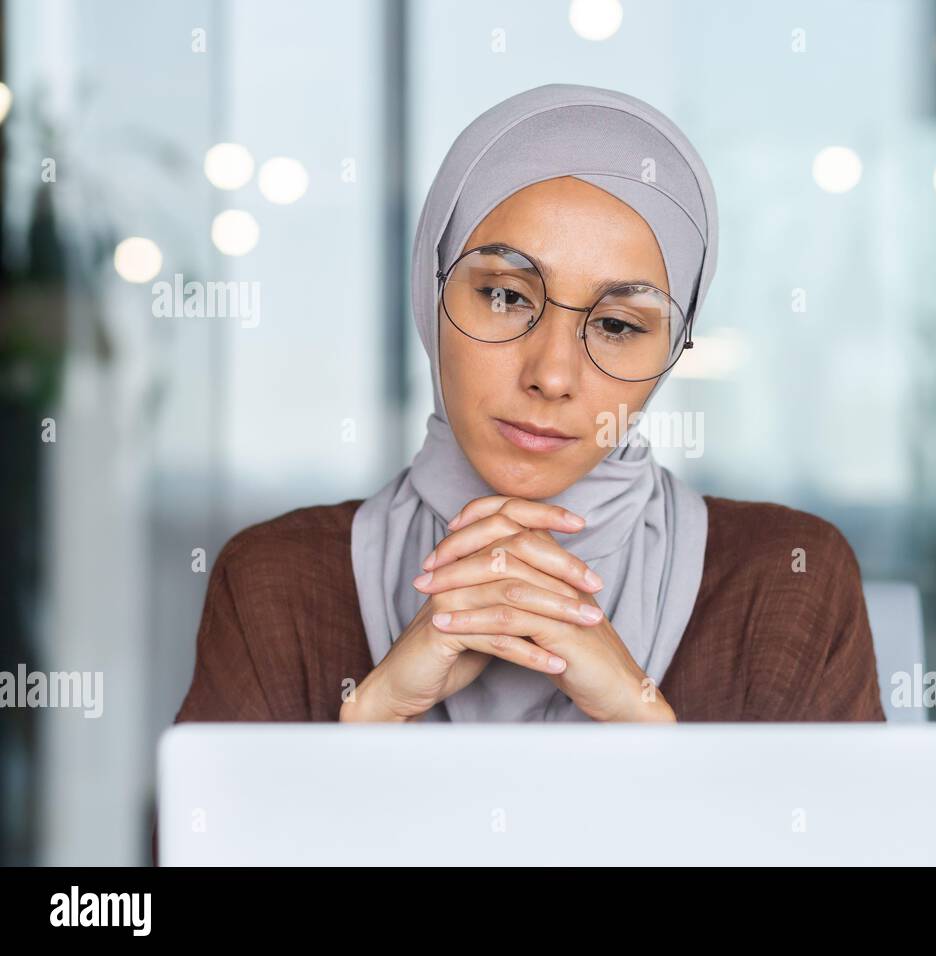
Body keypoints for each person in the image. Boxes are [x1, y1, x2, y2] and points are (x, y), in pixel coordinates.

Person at [173, 83, 884, 729]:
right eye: (507, 295)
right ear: (431, 292)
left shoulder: (788, 583)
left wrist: (648, 735)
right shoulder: (275, 583)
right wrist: (376, 719)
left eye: (617, 325)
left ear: (670, 352)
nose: (552, 374)